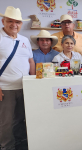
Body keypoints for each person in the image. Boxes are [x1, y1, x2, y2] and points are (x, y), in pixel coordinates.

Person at [0, 6, 35, 150]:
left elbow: (31, 61)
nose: (14, 25)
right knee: (5, 122)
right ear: (3, 21)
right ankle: (7, 146)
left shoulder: (25, 40)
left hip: (24, 86)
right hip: (5, 89)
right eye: (10, 21)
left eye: (18, 22)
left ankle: (20, 142)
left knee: (20, 118)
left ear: (21, 24)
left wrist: (33, 82)